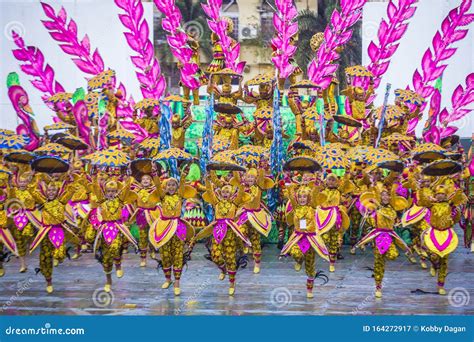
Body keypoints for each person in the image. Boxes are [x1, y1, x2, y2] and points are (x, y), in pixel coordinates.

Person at [195, 178, 251, 295]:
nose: (225, 194)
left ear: (231, 195)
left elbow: (240, 193)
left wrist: (242, 183)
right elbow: (210, 192)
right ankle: (223, 270)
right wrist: (207, 178)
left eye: (227, 192)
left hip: (230, 232)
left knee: (230, 258)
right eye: (223, 192)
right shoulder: (216, 203)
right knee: (215, 255)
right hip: (218, 231)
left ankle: (231, 283)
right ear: (220, 193)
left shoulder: (234, 204)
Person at [356, 186, 410, 298]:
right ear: (380, 197)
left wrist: (378, 207)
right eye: (383, 195)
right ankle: (378, 286)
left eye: (387, 195)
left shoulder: (391, 210)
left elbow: (390, 217)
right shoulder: (376, 209)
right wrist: (368, 213)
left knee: (393, 255)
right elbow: (370, 222)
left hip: (389, 237)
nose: (385, 197)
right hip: (378, 237)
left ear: (391, 197)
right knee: (378, 263)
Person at [148, 166, 195, 296]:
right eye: (169, 185)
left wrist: (184, 174)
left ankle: (177, 282)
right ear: (165, 187)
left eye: (174, 185)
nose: (171, 187)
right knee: (166, 255)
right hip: (164, 226)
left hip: (178, 227)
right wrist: (154, 174)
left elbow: (182, 186)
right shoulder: (162, 197)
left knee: (178, 254)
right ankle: (168, 279)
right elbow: (157, 185)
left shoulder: (180, 196)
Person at [281, 185, 329, 298]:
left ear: (308, 198)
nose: (302, 199)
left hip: (311, 238)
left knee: (310, 266)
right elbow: (292, 197)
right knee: (295, 253)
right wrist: (289, 186)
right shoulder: (295, 207)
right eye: (300, 197)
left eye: (304, 197)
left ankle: (309, 289)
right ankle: (299, 260)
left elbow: (315, 194)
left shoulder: (312, 207)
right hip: (298, 237)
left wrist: (317, 183)